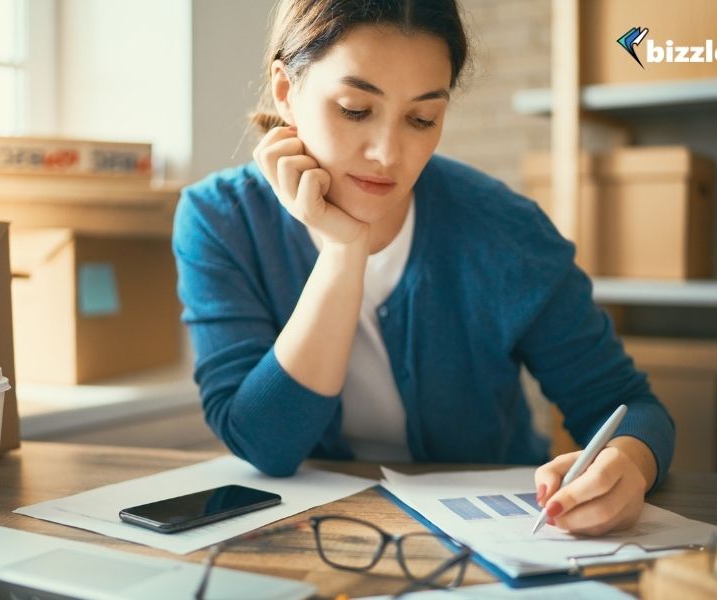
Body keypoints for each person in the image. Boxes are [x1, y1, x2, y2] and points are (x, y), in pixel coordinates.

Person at [173, 0, 674, 536]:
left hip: (488, 536)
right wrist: (344, 253)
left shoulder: (507, 232)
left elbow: (628, 408)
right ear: (285, 91)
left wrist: (630, 464)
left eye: (421, 119)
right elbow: (263, 443)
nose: (387, 153)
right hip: (313, 538)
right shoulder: (221, 220)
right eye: (354, 109)